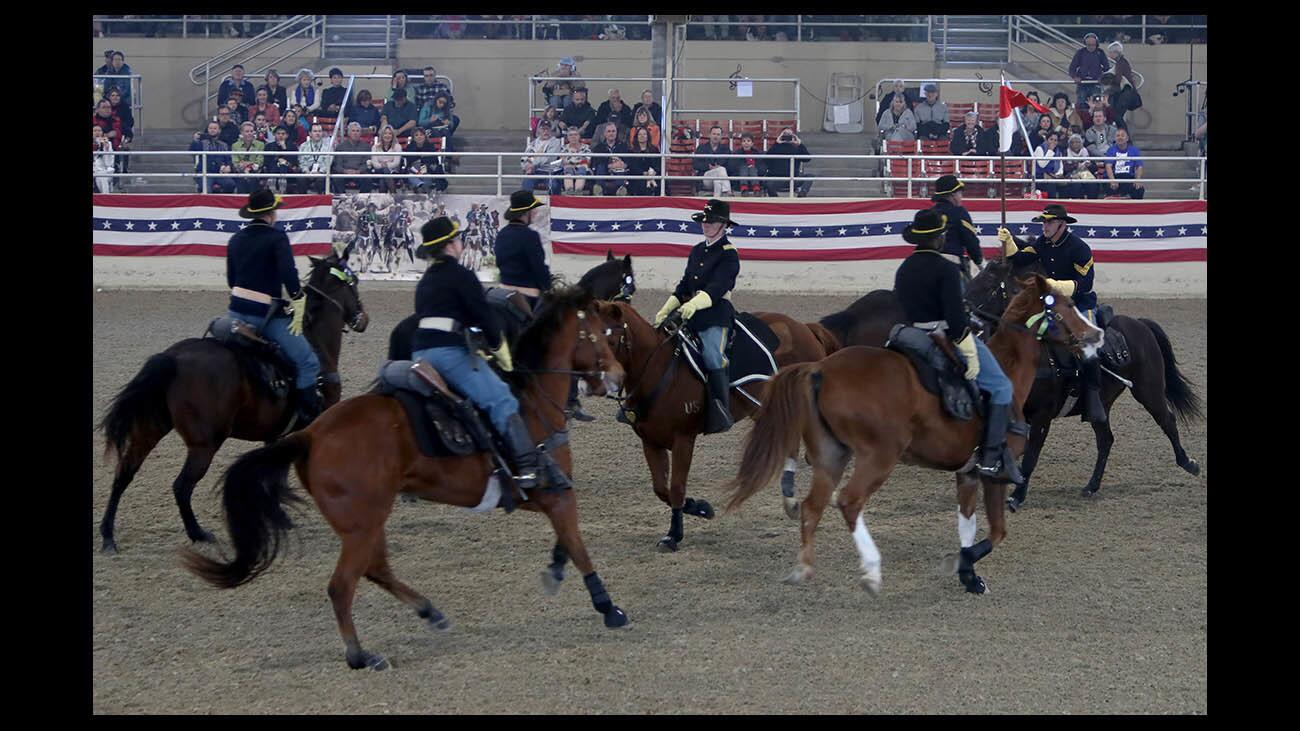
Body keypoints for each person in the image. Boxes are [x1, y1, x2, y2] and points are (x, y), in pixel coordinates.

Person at [411, 216, 545, 491]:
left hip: (420, 353)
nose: (461, 243)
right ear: (449, 246)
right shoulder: (462, 276)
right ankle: (527, 466)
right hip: (448, 353)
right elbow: (484, 317)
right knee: (502, 399)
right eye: (457, 239)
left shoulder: (425, 281)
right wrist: (498, 349)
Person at [895, 208, 1023, 482]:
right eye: (942, 234)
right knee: (1001, 387)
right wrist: (967, 350)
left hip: (910, 335)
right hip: (943, 336)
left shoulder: (904, 268)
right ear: (939, 238)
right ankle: (990, 458)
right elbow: (955, 321)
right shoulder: (946, 269)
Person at [997, 204, 1106, 422]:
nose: (1044, 226)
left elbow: (1086, 283)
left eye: (1049, 222)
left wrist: (1056, 286)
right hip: (1052, 303)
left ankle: (1093, 398)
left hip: (1079, 304)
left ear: (1062, 225)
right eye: (1043, 222)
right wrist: (1009, 242)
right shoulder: (1042, 243)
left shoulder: (1079, 248)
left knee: (1089, 347)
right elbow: (1021, 259)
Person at [225, 189, 323, 430]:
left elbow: (231, 279)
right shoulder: (277, 238)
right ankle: (306, 419)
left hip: (236, 313)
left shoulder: (235, 239)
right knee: (308, 362)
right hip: (264, 315)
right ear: (270, 213)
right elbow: (289, 275)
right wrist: (298, 297)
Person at [653, 199, 741, 435]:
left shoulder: (729, 254)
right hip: (689, 311)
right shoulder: (697, 250)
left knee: (713, 355)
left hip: (714, 313)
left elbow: (718, 287)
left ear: (723, 225)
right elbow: (685, 284)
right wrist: (667, 307)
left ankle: (721, 410)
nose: (706, 225)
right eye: (705, 221)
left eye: (711, 222)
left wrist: (694, 304)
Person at [929, 175, 984, 278]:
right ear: (953, 195)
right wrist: (979, 262)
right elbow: (970, 240)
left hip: (928, 264)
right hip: (952, 267)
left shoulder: (930, 213)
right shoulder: (959, 212)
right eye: (960, 193)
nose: (961, 196)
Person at [189, 120, 237, 193]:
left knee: (230, 184)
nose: (212, 130)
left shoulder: (224, 145)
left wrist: (228, 166)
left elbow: (228, 159)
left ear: (219, 130)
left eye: (215, 128)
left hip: (219, 173)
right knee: (207, 189)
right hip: (205, 172)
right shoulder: (202, 143)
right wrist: (195, 140)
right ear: (207, 130)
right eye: (210, 128)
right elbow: (192, 152)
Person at [764, 127, 812, 197]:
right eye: (785, 134)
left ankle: (802, 194)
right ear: (780, 136)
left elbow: (807, 159)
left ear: (793, 136)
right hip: (777, 179)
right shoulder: (776, 148)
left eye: (789, 134)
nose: (787, 136)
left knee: (810, 177)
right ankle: (776, 200)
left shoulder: (797, 149)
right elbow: (766, 160)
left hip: (793, 179)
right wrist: (776, 143)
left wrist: (800, 144)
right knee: (767, 183)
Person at [1068, 32, 1109, 112]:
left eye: (1093, 44)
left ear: (1096, 44)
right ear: (1085, 44)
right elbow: (1072, 68)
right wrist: (1075, 77)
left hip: (1096, 84)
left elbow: (1107, 68)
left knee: (1097, 106)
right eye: (1088, 45)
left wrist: (1103, 77)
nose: (1091, 47)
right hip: (1082, 84)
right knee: (1081, 106)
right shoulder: (1080, 53)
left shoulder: (1100, 53)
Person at [521, 121, 564, 194]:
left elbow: (549, 158)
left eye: (547, 129)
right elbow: (525, 157)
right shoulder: (533, 143)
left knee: (554, 186)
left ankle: (554, 204)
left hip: (549, 172)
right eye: (543, 129)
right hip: (534, 172)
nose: (546, 131)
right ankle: (527, 203)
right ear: (539, 130)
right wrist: (526, 166)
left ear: (551, 130)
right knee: (526, 184)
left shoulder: (555, 142)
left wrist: (533, 164)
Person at [1103, 127, 1144, 199]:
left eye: (1122, 135)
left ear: (1127, 138)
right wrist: (1112, 180)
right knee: (1110, 188)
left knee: (1139, 189)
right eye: (1118, 136)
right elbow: (1108, 166)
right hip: (1115, 177)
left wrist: (1137, 180)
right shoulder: (1111, 150)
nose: (1120, 137)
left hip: (1128, 178)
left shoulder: (1134, 150)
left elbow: (1139, 166)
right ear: (1115, 138)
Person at [693, 125, 733, 197]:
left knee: (717, 180)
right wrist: (708, 167)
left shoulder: (726, 149)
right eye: (714, 134)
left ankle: (716, 199)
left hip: (720, 178)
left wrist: (718, 166)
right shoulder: (701, 148)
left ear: (721, 137)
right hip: (706, 177)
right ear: (710, 135)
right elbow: (695, 164)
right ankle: (727, 192)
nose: (716, 136)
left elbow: (730, 165)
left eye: (718, 134)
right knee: (721, 170)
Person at [626, 125, 661, 196]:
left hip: (653, 175)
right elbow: (632, 166)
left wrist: (654, 172)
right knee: (641, 185)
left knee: (660, 184)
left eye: (644, 134)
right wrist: (643, 173)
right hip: (638, 177)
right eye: (640, 134)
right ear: (637, 137)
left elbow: (659, 164)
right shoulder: (632, 151)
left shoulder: (654, 150)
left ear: (648, 136)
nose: (642, 136)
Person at [263, 125, 298, 194]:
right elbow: (266, 161)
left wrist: (284, 148)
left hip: (288, 169)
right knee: (277, 164)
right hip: (272, 168)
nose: (280, 136)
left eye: (283, 134)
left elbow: (293, 161)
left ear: (287, 135)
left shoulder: (292, 146)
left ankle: (282, 184)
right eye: (278, 133)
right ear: (274, 134)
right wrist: (277, 160)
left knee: (283, 165)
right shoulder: (268, 146)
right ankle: (273, 184)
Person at [1062, 133, 1098, 199]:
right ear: (1069, 144)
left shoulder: (1086, 151)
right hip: (1072, 174)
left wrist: (1089, 166)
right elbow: (1064, 168)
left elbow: (1095, 167)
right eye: (1072, 142)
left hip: (1085, 172)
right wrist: (1075, 165)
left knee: (1092, 183)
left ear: (1081, 143)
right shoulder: (1065, 152)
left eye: (1077, 142)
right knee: (1076, 184)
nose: (1075, 144)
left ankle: (1092, 202)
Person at [1033, 131, 1065, 199]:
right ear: (1047, 140)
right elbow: (1042, 165)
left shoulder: (1058, 151)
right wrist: (1050, 150)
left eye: (1055, 140)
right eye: (1051, 139)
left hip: (1054, 176)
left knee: (1070, 185)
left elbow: (1060, 165)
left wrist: (1059, 174)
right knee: (1051, 185)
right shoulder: (1040, 148)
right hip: (1041, 177)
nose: (1053, 142)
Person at [93, 125, 116, 193]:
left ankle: (105, 197)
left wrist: (106, 148)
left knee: (102, 176)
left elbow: (109, 163)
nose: (97, 132)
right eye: (95, 131)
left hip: (102, 169)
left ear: (102, 133)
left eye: (99, 130)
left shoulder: (108, 143)